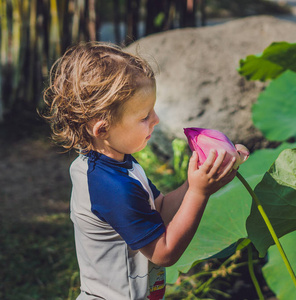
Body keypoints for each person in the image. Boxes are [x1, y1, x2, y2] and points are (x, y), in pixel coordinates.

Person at [42, 42, 237, 300]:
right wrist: (199, 193)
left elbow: (161, 209)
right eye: (144, 116)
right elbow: (164, 253)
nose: (155, 120)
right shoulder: (111, 187)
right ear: (102, 129)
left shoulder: (120, 165)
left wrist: (199, 180)